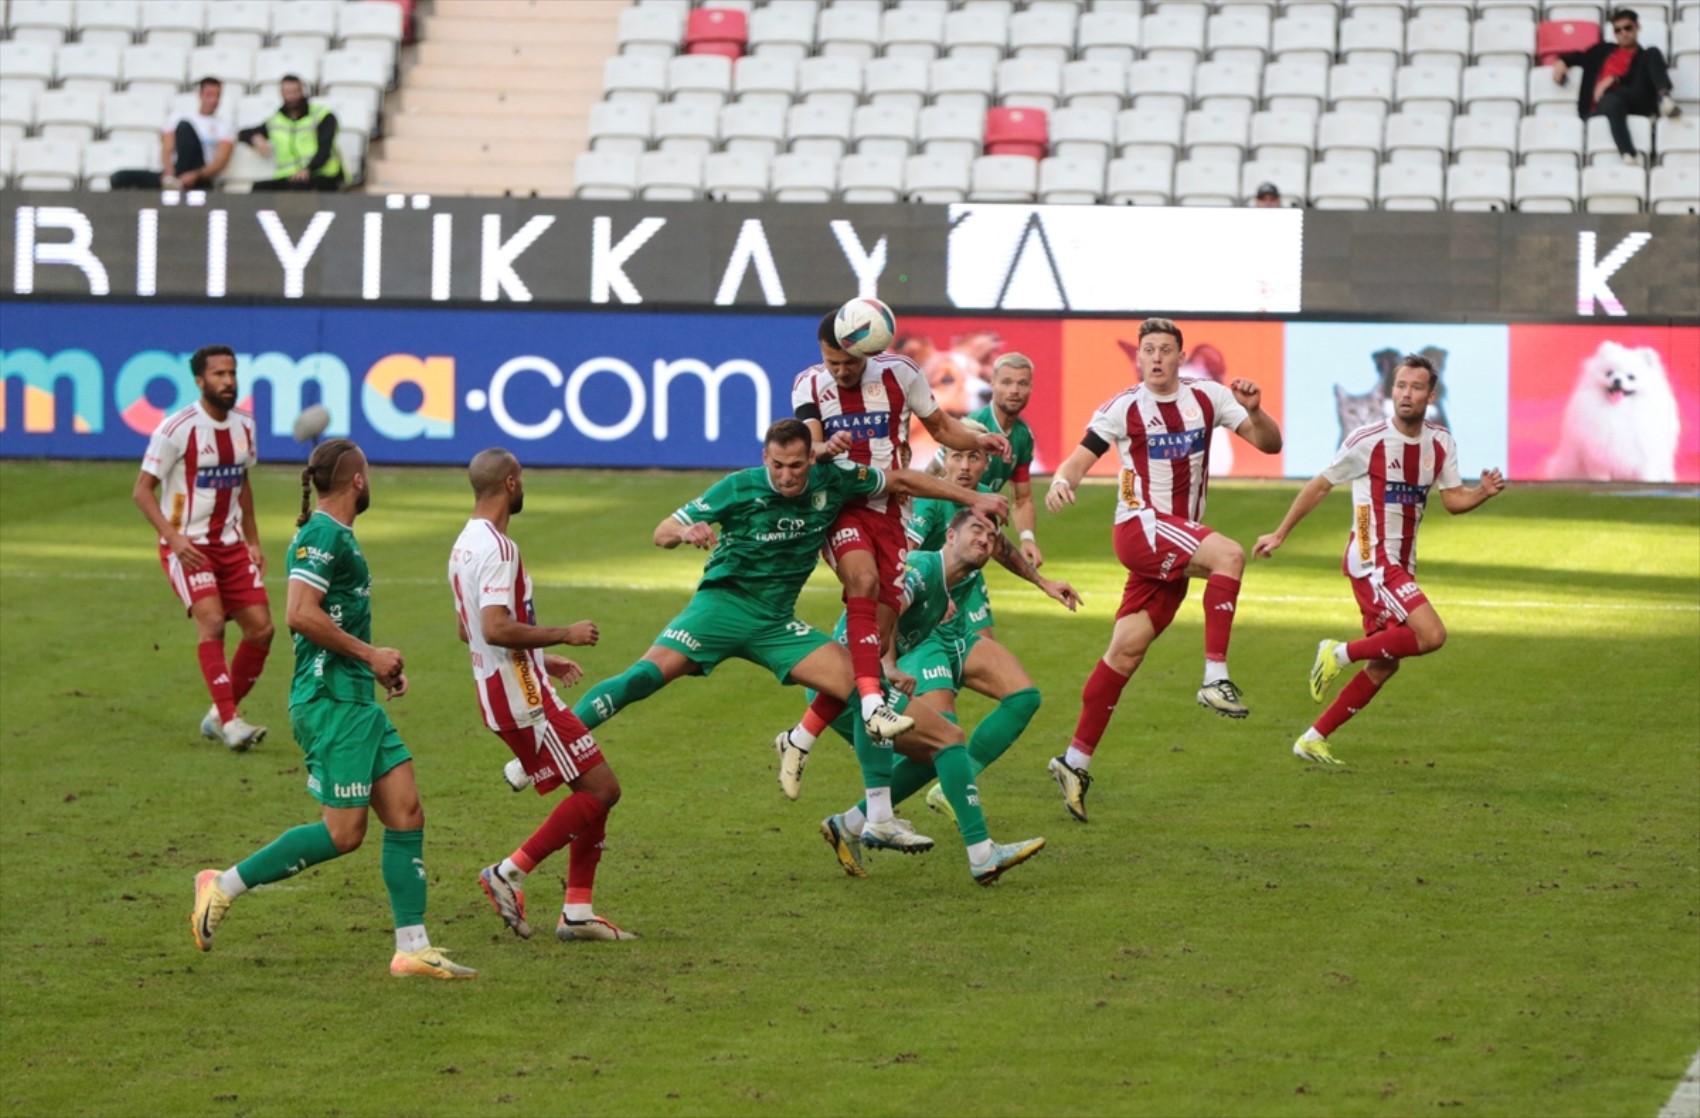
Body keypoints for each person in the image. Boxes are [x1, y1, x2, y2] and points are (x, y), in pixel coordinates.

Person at [569, 419, 1044, 886]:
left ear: (809, 460)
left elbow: (898, 478)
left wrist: (975, 499)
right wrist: (686, 533)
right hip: (719, 609)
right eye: (778, 465)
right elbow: (663, 530)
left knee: (902, 712)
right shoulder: (739, 487)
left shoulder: (831, 482)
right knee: (642, 679)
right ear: (764, 459)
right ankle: (553, 740)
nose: (787, 476)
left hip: (777, 624)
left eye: (797, 465)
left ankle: (889, 821)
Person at [191, 439, 475, 979]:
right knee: (344, 834)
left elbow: (330, 616)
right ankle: (221, 884)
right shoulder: (322, 533)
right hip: (328, 702)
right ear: (358, 481)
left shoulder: (336, 535)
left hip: (354, 698)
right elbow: (299, 613)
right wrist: (369, 653)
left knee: (406, 810)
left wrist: (372, 665)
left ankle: (412, 947)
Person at [1043, 317, 1284, 822]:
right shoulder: (1124, 407)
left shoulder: (1209, 398)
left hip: (1173, 540)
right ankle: (1215, 677)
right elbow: (1078, 459)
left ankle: (1073, 761)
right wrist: (1061, 481)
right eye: (1147, 349)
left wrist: (1255, 411)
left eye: (1165, 350)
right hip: (1142, 527)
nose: (1155, 358)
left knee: (1124, 653)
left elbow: (1269, 445)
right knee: (1231, 555)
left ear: (1180, 357)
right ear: (1138, 357)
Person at [775, 425, 1081, 802]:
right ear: (944, 457)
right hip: (915, 618)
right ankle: (875, 812)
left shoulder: (984, 500)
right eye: (957, 455)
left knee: (1022, 697)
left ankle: (930, 792)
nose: (965, 466)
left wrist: (1043, 582)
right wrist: (931, 588)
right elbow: (900, 562)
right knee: (938, 733)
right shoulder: (930, 503)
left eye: (973, 457)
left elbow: (1000, 547)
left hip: (946, 623)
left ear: (987, 465)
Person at [1253, 355, 1506, 765]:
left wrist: (1481, 493)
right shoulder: (1366, 440)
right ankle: (1336, 653)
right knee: (1432, 635)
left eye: (1416, 387)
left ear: (1430, 394)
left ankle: (1311, 738)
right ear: (1392, 391)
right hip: (1373, 557)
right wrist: (1281, 533)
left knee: (1385, 664)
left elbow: (1453, 499)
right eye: (1401, 386)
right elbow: (1319, 486)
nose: (1406, 394)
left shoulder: (1440, 442)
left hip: (1401, 562)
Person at [792, 311, 1010, 745]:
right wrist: (823, 448)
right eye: (831, 362)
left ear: (866, 350)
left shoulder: (901, 375)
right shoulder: (809, 383)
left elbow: (941, 427)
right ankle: (873, 703)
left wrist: (976, 439)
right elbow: (809, 441)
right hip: (841, 505)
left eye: (847, 362)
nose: (840, 371)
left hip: (892, 510)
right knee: (864, 581)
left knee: (881, 631)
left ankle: (807, 740)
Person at [450, 450, 636, 942]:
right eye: (523, 478)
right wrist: (564, 635)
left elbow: (465, 629)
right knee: (602, 790)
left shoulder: (464, 544)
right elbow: (493, 627)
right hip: (522, 699)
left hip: (507, 686)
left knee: (592, 793)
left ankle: (577, 912)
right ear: (511, 483)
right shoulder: (499, 548)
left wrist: (539, 658)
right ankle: (509, 872)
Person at [132, 344, 272, 751]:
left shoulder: (245, 426)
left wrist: (253, 541)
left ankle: (218, 715)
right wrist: (174, 539)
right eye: (218, 375)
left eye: (231, 373)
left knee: (262, 630)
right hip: (188, 546)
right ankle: (231, 722)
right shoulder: (176, 429)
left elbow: (242, 486)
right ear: (199, 380)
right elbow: (142, 491)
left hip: (230, 545)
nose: (228, 382)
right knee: (211, 622)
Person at [1552, 9, 1680, 163]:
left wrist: (1615, 79)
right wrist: (1562, 61)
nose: (1623, 33)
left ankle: (1664, 98)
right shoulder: (1602, 50)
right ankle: (1628, 153)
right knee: (1612, 100)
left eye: (1628, 28)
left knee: (1653, 51)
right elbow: (1580, 56)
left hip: (1636, 99)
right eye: (1618, 30)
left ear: (1637, 27)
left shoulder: (1642, 57)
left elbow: (1639, 82)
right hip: (1604, 104)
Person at [962, 353, 1045, 569]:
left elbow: (1022, 498)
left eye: (1022, 383)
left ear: (1031, 388)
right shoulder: (973, 427)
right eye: (1007, 382)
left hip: (977, 532)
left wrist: (1027, 538)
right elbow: (939, 479)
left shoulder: (1023, 436)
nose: (1015, 390)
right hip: (950, 530)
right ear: (993, 385)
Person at [110, 76, 234, 191]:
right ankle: (174, 182)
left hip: (200, 177)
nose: (213, 100)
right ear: (200, 95)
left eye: (217, 96)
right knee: (119, 178)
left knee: (184, 127)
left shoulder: (224, 127)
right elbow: (167, 149)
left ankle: (176, 182)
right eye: (209, 95)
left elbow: (220, 162)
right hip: (174, 172)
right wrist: (169, 171)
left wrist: (195, 175)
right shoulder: (178, 117)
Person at [239, 75, 344, 191]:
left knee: (300, 187)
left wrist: (308, 169)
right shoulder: (276, 120)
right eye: (287, 93)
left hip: (321, 174)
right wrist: (255, 137)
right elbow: (243, 133)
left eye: (295, 92)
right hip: (289, 177)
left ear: (302, 91)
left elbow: (325, 149)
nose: (291, 97)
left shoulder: (322, 115)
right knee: (259, 189)